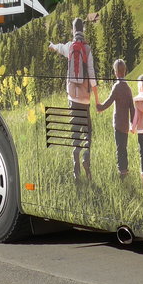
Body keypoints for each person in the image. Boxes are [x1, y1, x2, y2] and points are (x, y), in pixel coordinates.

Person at [49, 17, 97, 180]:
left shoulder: (69, 47)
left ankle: (76, 170)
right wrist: (97, 98)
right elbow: (92, 75)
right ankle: (86, 159)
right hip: (85, 98)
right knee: (88, 132)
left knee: (75, 131)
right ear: (83, 30)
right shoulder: (87, 49)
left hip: (72, 98)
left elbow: (58, 47)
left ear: (73, 30)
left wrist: (52, 46)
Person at [96, 58, 134, 177]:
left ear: (116, 72)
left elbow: (109, 100)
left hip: (118, 124)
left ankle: (121, 171)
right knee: (124, 147)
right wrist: (132, 122)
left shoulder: (117, 87)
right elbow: (132, 107)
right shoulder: (128, 88)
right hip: (125, 125)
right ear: (125, 71)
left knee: (119, 148)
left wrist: (100, 107)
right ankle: (125, 169)